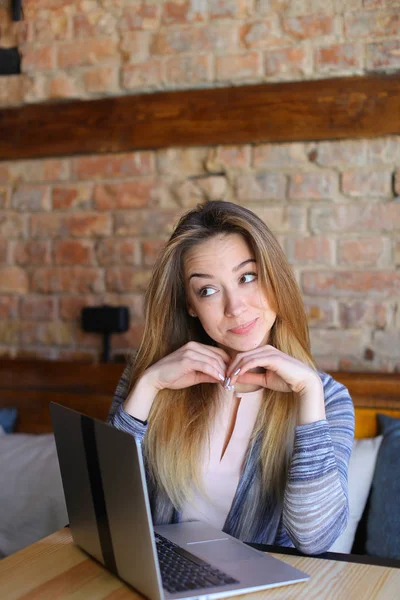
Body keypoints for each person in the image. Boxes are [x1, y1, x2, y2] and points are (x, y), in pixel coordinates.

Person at [108, 200, 354, 554]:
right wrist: (147, 386)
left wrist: (308, 393)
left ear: (274, 279)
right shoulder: (149, 377)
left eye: (247, 277)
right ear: (190, 305)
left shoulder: (326, 398)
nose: (235, 307)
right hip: (158, 587)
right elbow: (106, 508)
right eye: (208, 290)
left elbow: (314, 539)